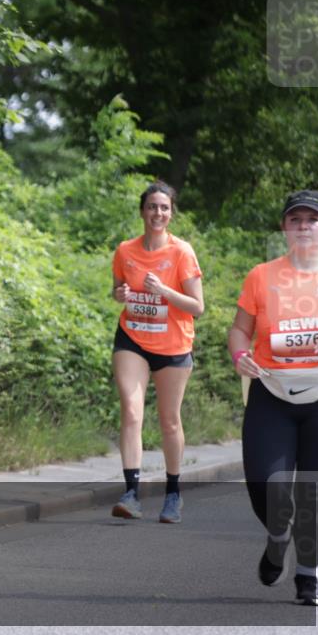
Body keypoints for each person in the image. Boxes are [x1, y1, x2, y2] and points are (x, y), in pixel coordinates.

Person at [228, 189, 318, 607]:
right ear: (284, 227)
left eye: (313, 219)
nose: (304, 226)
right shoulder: (262, 275)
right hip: (271, 394)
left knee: (316, 494)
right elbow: (240, 330)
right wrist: (240, 354)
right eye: (296, 220)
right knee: (265, 487)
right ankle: (278, 536)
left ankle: (307, 578)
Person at [111, 181, 204, 523]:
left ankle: (173, 493)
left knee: (168, 421)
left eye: (164, 208)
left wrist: (163, 290)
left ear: (171, 214)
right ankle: (131, 493)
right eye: (152, 206)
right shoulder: (125, 250)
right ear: (142, 211)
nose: (158, 213)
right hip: (132, 338)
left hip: (173, 346)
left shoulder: (182, 252)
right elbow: (118, 289)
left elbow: (198, 306)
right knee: (132, 412)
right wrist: (120, 294)